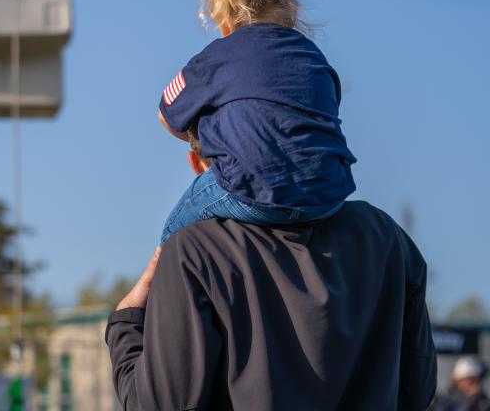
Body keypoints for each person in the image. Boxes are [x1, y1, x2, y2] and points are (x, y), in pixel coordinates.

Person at [105, 142, 438, 409]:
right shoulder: (385, 237)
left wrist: (126, 322)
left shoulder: (196, 250)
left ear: (198, 165)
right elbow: (417, 391)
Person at [158, 0, 356, 244]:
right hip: (328, 195)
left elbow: (167, 115)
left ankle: (143, 293)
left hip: (253, 192)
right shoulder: (313, 56)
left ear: (220, 11)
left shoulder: (215, 58)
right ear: (290, 4)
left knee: (174, 232)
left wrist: (207, 136)